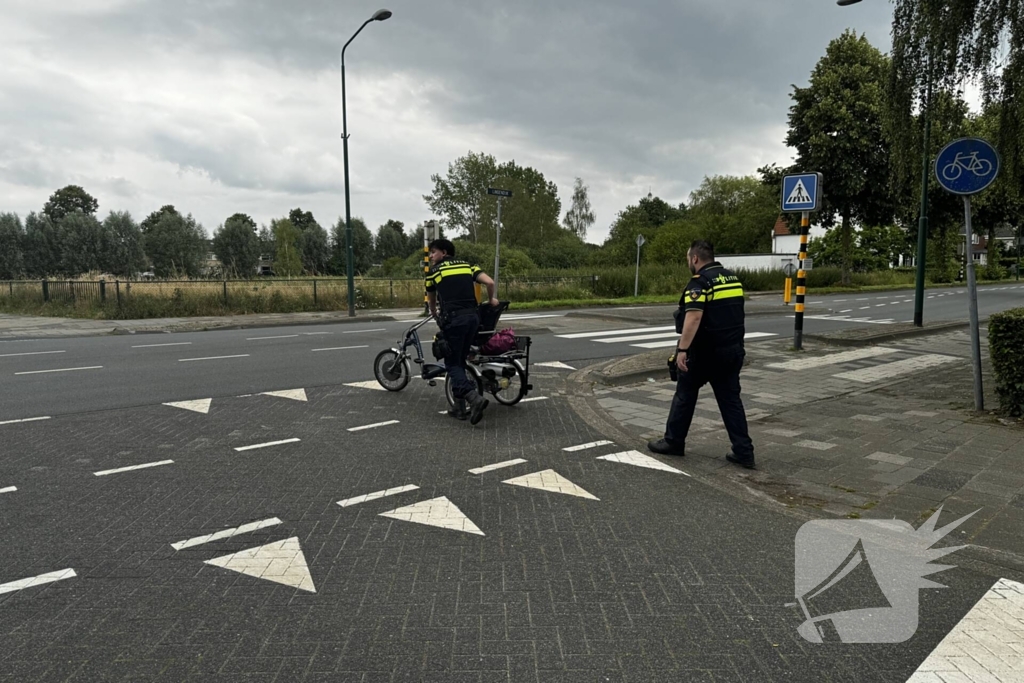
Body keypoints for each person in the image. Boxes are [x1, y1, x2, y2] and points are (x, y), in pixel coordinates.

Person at [647, 240, 756, 469]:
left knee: (685, 396)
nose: (689, 262)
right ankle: (744, 451)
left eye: (688, 259)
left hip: (705, 352)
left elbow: (693, 318)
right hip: (732, 350)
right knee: (731, 401)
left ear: (695, 258)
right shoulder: (732, 278)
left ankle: (674, 442)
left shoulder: (700, 283)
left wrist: (682, 350)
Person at [425, 238, 499, 425]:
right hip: (473, 318)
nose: (431, 257)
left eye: (433, 252)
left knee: (452, 363)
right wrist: (492, 300)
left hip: (454, 320)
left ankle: (474, 399)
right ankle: (459, 408)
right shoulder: (468, 266)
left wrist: (433, 311)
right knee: (460, 359)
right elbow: (489, 282)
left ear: (444, 252)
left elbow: (431, 298)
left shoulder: (434, 272)